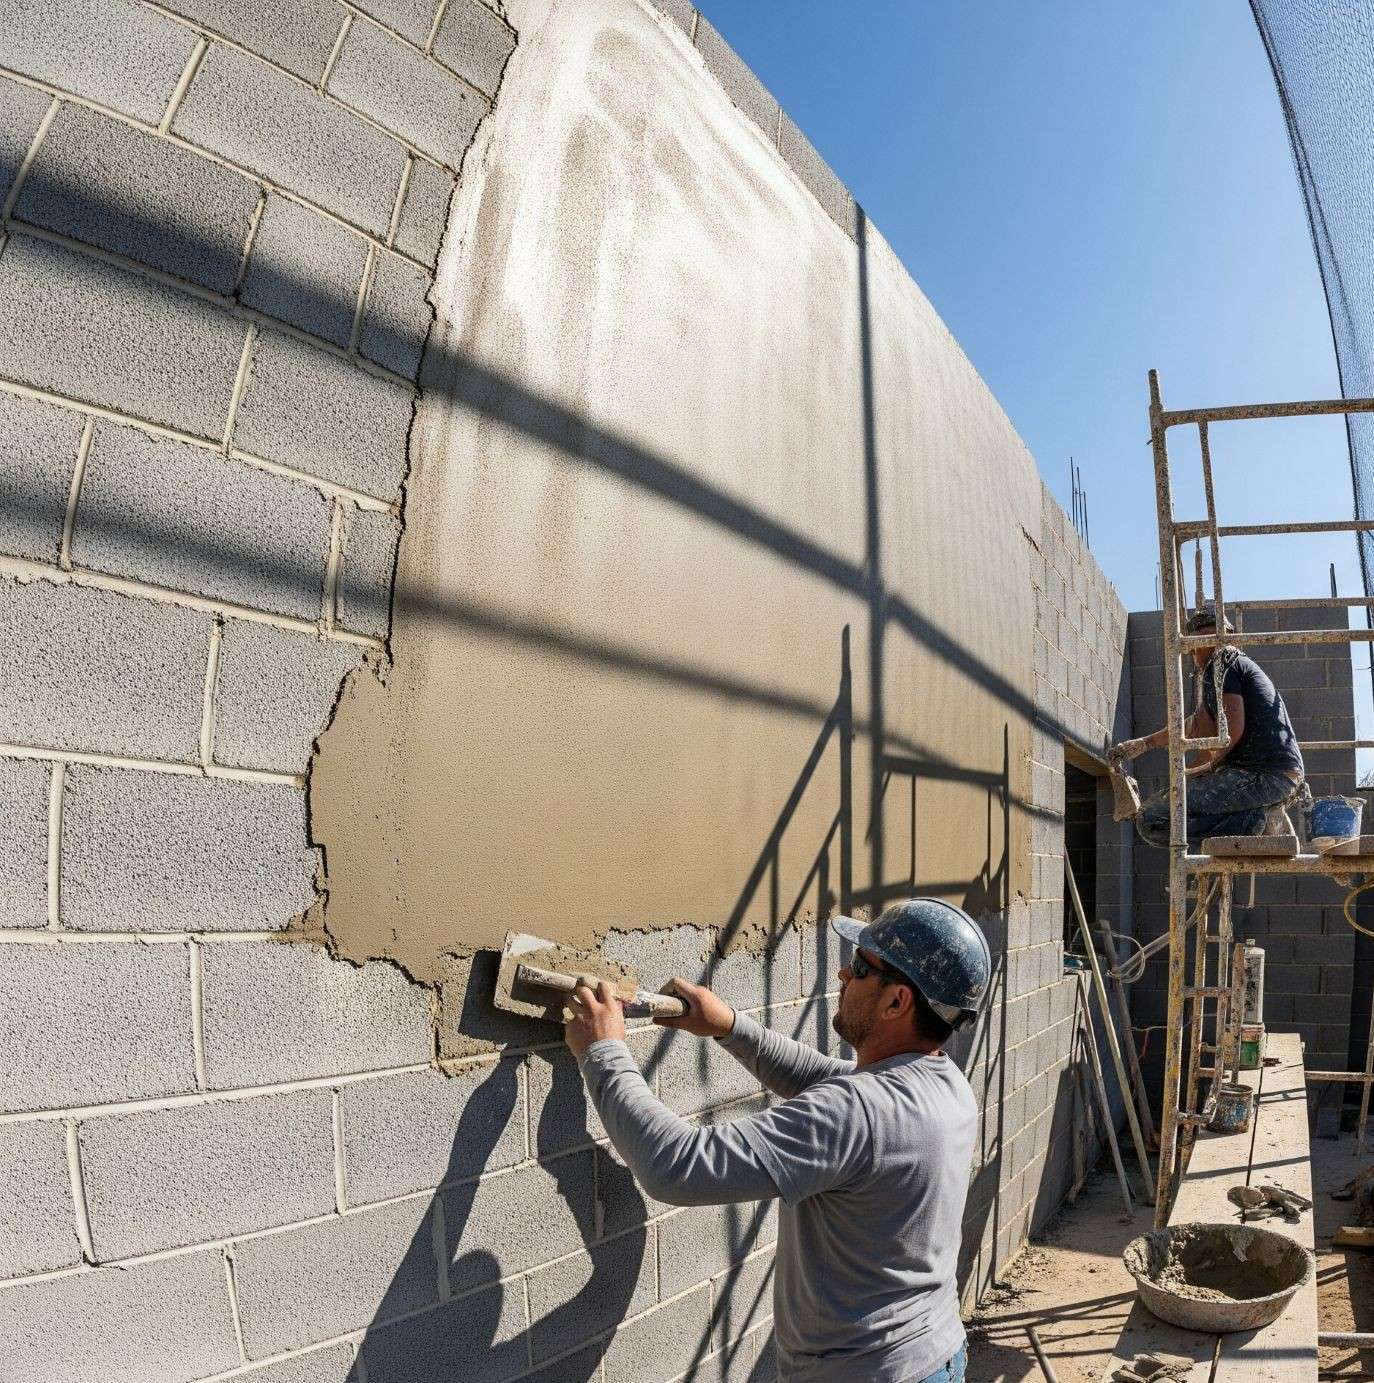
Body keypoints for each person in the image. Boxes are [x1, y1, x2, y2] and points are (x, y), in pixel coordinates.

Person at [565, 898, 991, 1383]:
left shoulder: (859, 1111)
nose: (843, 976)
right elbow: (821, 1080)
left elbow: (675, 1167)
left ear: (897, 1001)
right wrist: (729, 1026)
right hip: (935, 1355)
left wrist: (603, 1051)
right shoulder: (941, 1081)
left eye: (860, 967)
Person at [1110, 609, 1306, 847]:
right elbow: (1196, 727)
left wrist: (1195, 772)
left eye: (1205, 635)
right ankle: (1257, 817)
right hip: (1269, 775)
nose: (1198, 646)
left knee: (1152, 819)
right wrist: (1144, 744)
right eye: (1197, 637)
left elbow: (1231, 732)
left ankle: (1257, 821)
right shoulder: (1223, 671)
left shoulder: (1224, 663)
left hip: (1263, 776)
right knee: (1168, 804)